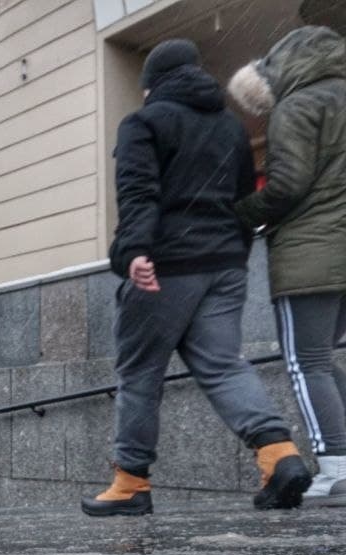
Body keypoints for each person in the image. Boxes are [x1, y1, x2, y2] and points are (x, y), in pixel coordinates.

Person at [82, 39, 312, 516]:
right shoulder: (230, 125)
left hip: (166, 266)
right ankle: (278, 455)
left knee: (140, 374)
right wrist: (234, 251)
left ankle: (130, 483)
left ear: (151, 85)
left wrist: (135, 252)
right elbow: (245, 194)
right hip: (225, 264)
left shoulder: (144, 123)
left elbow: (138, 192)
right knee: (224, 364)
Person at [229, 26, 346, 506]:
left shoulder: (296, 106)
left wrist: (241, 213)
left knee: (306, 362)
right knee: (325, 358)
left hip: (311, 251)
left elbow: (288, 185)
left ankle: (337, 466)